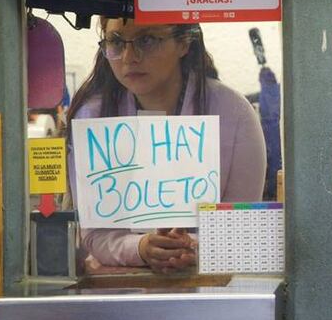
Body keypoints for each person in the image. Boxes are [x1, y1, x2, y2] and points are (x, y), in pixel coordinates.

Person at [65, 18, 267, 274]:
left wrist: (194, 247)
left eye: (147, 40)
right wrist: (140, 247)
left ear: (184, 42)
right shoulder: (91, 118)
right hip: (121, 293)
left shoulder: (233, 112)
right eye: (116, 42)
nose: (130, 57)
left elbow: (241, 225)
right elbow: (93, 234)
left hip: (212, 289)